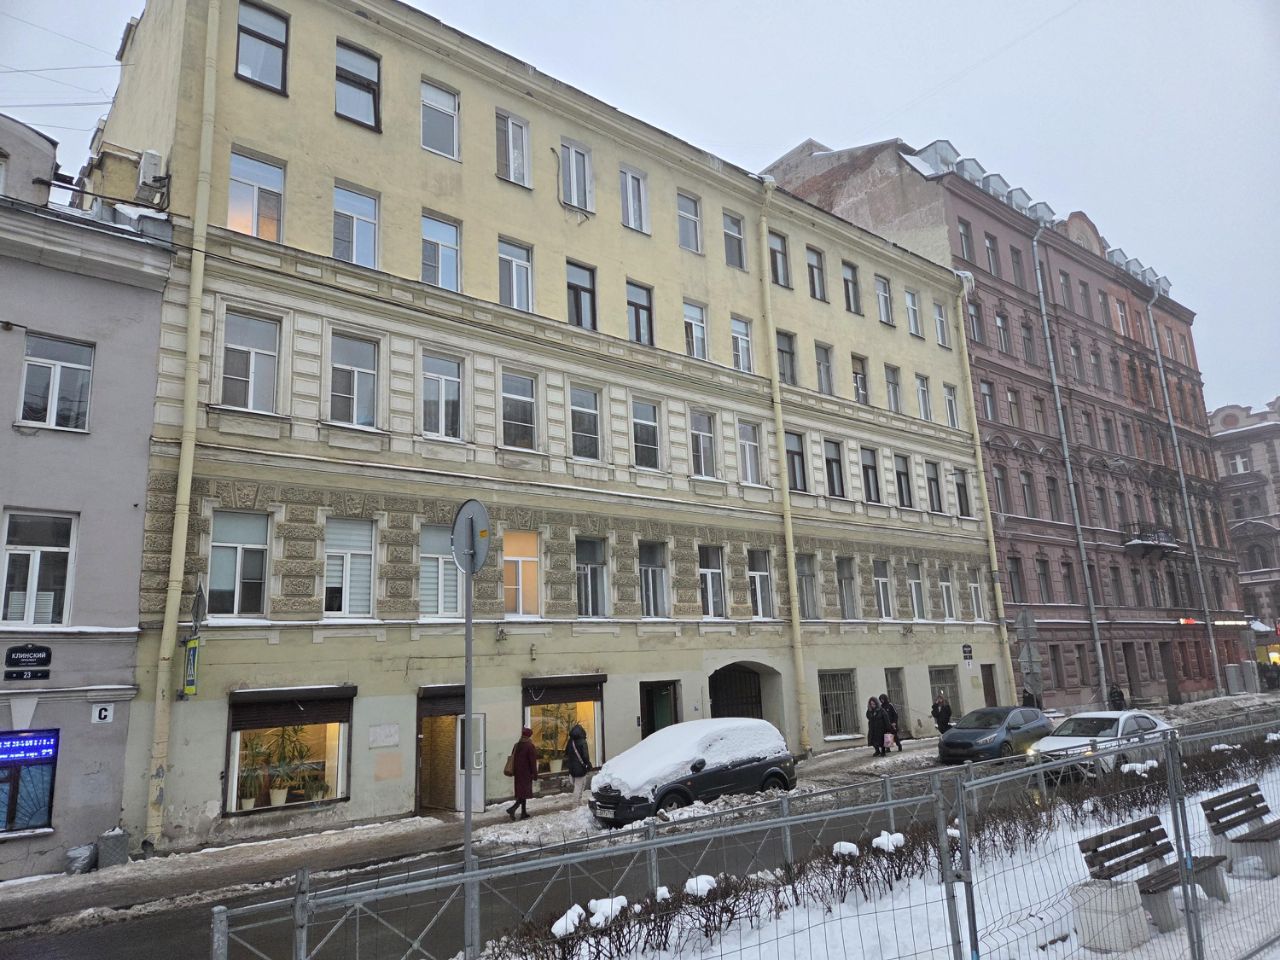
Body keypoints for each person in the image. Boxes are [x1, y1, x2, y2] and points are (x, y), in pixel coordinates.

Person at [506, 726, 538, 821]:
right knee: (524, 793)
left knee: (521, 793)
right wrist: (535, 774)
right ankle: (512, 809)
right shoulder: (529, 746)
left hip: (518, 773)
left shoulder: (517, 745)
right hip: (526, 773)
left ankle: (523, 812)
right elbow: (532, 762)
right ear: (529, 736)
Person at [564, 722, 592, 800]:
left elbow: (566, 753)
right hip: (580, 767)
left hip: (571, 766)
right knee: (579, 786)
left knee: (579, 784)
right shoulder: (582, 741)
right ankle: (576, 804)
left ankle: (578, 802)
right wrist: (588, 764)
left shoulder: (570, 741)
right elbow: (585, 756)